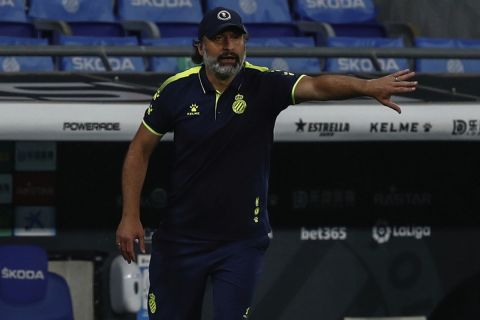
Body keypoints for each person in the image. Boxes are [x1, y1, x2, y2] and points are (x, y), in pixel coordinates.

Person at [115, 6, 417, 320]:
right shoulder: (175, 90)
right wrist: (130, 215)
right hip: (181, 241)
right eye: (219, 39)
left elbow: (317, 86)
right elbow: (139, 150)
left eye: (236, 37)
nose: (228, 46)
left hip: (240, 242)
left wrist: (367, 87)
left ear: (245, 44)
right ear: (200, 47)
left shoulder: (265, 85)